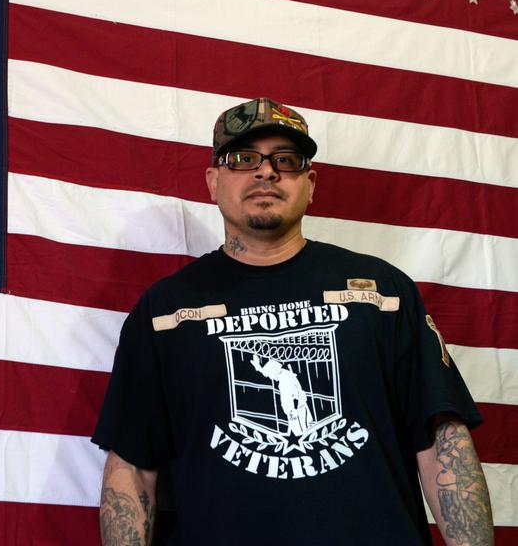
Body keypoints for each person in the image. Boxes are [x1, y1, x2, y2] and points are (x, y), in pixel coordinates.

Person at [92, 97, 493, 545]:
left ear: (311, 183)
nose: (266, 172)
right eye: (244, 159)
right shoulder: (164, 313)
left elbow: (442, 442)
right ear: (212, 181)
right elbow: (131, 467)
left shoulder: (381, 293)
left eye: (287, 160)